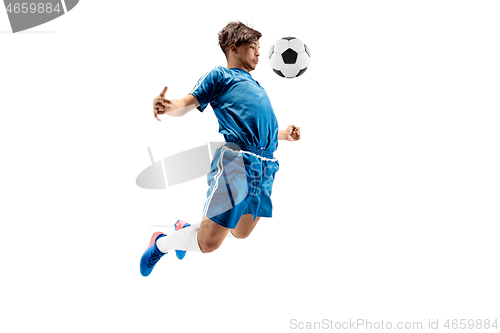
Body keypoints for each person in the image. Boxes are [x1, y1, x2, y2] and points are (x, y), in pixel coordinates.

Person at [140, 21, 301, 276]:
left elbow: (256, 126)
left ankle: (185, 229)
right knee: (210, 243)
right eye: (253, 47)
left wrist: (283, 135)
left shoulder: (257, 85)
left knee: (242, 231)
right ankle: (160, 244)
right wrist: (168, 107)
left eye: (259, 47)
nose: (259, 53)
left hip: (266, 165)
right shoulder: (221, 76)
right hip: (238, 162)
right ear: (234, 48)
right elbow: (186, 103)